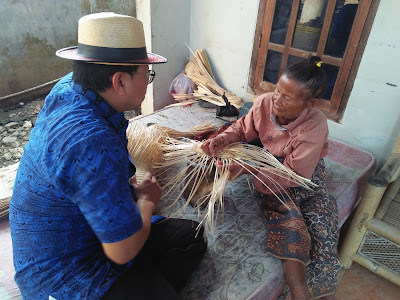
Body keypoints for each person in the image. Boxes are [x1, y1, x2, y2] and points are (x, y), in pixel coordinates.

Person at [10, 12, 207, 300]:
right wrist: (147, 202)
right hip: (64, 272)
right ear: (119, 81)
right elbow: (121, 251)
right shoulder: (90, 143)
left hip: (89, 232)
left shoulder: (69, 87)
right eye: (146, 74)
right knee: (136, 251)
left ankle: (139, 280)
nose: (148, 82)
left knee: (190, 238)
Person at [202, 56, 339, 300]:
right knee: (288, 213)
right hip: (269, 162)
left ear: (311, 103)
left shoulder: (315, 124)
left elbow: (296, 173)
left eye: (287, 97)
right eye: (277, 90)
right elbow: (243, 128)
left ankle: (322, 290)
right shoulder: (265, 104)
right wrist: (224, 139)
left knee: (321, 218)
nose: (277, 99)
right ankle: (299, 291)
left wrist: (249, 169)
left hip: (305, 168)